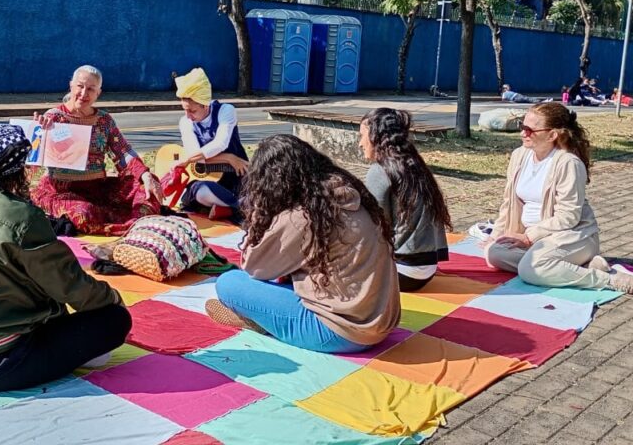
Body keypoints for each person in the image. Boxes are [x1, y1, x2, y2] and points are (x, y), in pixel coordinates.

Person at [0, 124, 130, 391]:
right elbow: (70, 285)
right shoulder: (22, 216)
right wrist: (112, 299)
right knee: (114, 320)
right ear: (16, 169)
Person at [204, 135, 400, 353]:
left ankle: (267, 322)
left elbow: (254, 268)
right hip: (381, 323)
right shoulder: (349, 195)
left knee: (229, 282)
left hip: (338, 332)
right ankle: (271, 319)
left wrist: (262, 216)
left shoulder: (302, 216)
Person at [484, 102, 633, 297]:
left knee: (530, 270)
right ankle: (579, 266)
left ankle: (613, 280)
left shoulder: (568, 163)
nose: (523, 133)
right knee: (494, 253)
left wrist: (529, 237)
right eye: (522, 126)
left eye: (529, 130)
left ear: (552, 135)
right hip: (534, 238)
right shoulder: (519, 156)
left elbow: (569, 217)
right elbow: (509, 202)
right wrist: (496, 235)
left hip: (572, 235)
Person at [30, 65, 163, 235]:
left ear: (98, 93)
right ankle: (124, 226)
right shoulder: (53, 118)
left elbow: (123, 152)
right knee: (84, 213)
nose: (83, 93)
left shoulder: (104, 121)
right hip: (62, 192)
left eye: (91, 89)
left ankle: (135, 222)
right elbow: (32, 158)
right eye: (80, 86)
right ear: (71, 86)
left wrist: (145, 175)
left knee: (148, 186)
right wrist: (38, 133)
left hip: (99, 189)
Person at [360, 108, 452, 292]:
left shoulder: (380, 171)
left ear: (377, 137)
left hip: (402, 272)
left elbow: (373, 226)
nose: (360, 143)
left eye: (362, 136)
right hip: (427, 270)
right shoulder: (415, 164)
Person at [174, 68, 249, 220]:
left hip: (236, 175)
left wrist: (193, 158)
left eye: (192, 111)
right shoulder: (185, 122)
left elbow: (220, 143)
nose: (188, 116)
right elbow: (194, 155)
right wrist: (228, 158)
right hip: (208, 180)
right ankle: (238, 207)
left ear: (205, 105)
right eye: (185, 110)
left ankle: (228, 207)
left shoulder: (226, 111)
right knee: (201, 192)